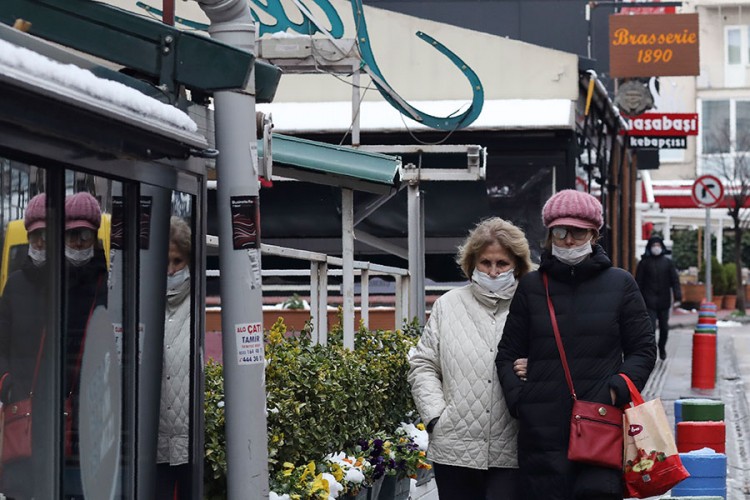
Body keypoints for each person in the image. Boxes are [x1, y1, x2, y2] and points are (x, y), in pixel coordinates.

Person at [496, 189, 656, 500]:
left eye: (578, 232)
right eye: (560, 231)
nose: (568, 240)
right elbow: (507, 354)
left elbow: (643, 350)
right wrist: (521, 402)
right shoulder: (531, 287)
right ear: (550, 234)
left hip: (600, 428)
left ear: (594, 234)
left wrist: (615, 390)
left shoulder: (620, 283)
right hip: (541, 435)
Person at [408, 217, 533, 499]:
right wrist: (436, 416)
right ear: (472, 263)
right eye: (485, 263)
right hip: (454, 447)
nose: (492, 272)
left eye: (502, 264)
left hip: (513, 448)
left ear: (517, 265)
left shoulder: (532, 305)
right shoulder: (448, 305)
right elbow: (423, 364)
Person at [0, 193, 48, 499]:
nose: (41, 244)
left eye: (46, 236)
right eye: (36, 237)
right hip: (22, 414)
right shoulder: (15, 284)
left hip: (59, 416)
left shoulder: (69, 282)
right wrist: (7, 386)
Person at [63, 191, 108, 498]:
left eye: (84, 235)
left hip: (93, 403)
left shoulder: (109, 282)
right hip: (56, 403)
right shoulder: (51, 280)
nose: (78, 244)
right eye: (71, 235)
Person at [156, 216, 192, 499]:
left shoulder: (198, 302)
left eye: (177, 261)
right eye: (165, 261)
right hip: (152, 440)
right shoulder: (140, 298)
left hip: (191, 441)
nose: (170, 270)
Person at [635, 235, 682, 360]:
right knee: (650, 329)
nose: (656, 248)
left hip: (664, 301)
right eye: (654, 245)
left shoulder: (668, 263)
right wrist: (636, 300)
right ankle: (652, 351)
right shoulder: (644, 263)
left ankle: (662, 347)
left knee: (664, 328)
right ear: (650, 247)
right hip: (648, 301)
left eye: (658, 245)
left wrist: (678, 297)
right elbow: (638, 283)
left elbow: (675, 281)